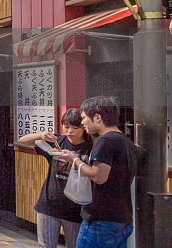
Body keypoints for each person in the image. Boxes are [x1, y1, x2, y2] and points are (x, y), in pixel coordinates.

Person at [55, 96, 136, 248]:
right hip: (122, 217)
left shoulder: (105, 141)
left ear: (97, 117)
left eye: (84, 117)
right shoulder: (126, 141)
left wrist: (74, 160)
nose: (83, 122)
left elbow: (98, 176)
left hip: (101, 218)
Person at [18, 108, 92, 248]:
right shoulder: (58, 141)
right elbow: (22, 141)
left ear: (83, 128)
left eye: (75, 128)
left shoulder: (90, 147)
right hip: (49, 205)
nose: (70, 131)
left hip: (75, 209)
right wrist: (41, 135)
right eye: (66, 126)